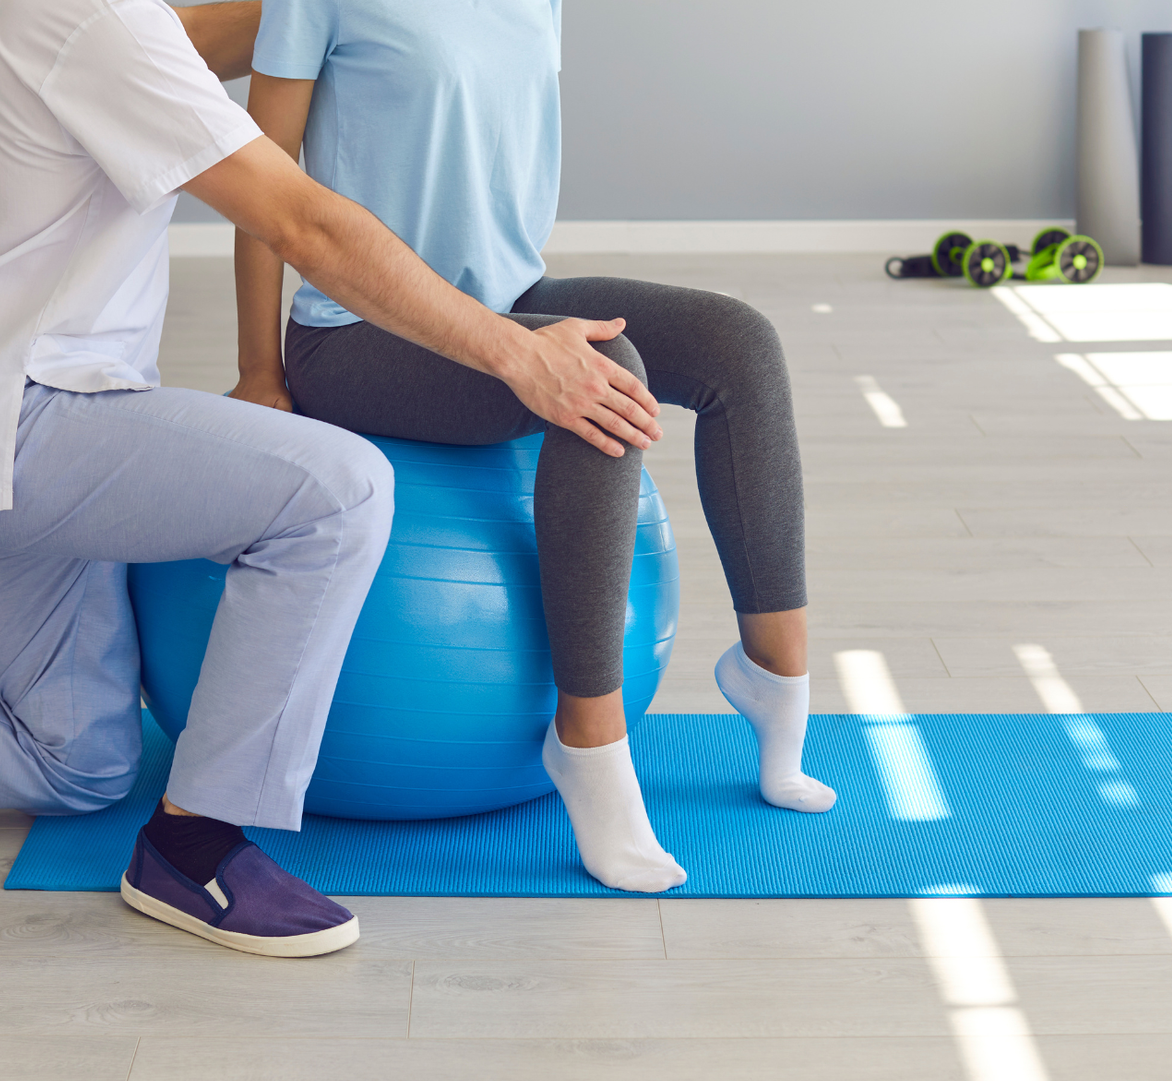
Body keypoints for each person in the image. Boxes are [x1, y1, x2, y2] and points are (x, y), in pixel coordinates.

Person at [0, 0, 663, 958]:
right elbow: (303, 222)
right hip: (38, 424)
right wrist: (514, 353)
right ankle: (195, 846)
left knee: (78, 761)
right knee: (337, 490)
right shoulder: (93, 17)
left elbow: (203, 40)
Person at [231, 0, 834, 894]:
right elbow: (261, 182)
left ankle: (774, 675)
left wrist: (517, 324)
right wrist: (260, 370)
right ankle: (587, 742)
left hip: (507, 302)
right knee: (601, 373)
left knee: (738, 344)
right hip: (355, 334)